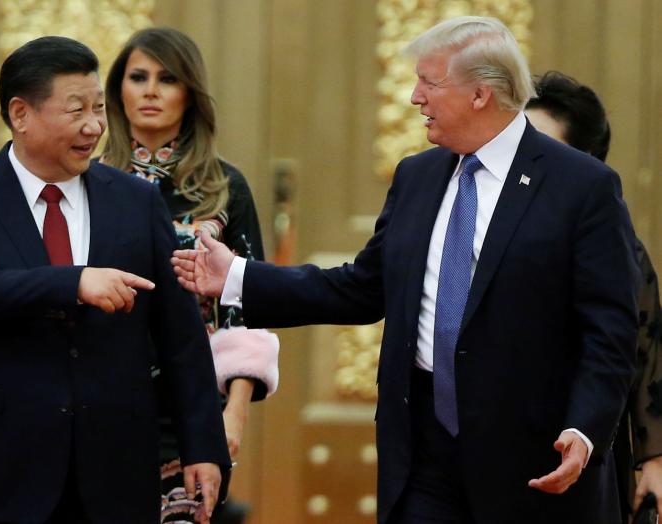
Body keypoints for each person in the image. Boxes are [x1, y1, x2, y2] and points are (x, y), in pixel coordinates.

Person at [172, 16, 640, 524]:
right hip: (423, 454)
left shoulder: (582, 186)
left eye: (429, 82)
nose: (415, 97)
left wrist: (586, 429)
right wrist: (237, 276)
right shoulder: (417, 176)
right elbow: (363, 287)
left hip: (533, 462)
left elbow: (610, 331)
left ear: (481, 94)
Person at [0, 36, 230, 523]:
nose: (95, 126)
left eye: (100, 108)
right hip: (5, 465)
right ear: (21, 114)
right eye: (76, 110)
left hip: (116, 468)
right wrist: (73, 283)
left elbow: (180, 335)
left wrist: (203, 447)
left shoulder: (135, 200)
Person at [101, 27, 279, 523]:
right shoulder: (89, 182)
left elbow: (248, 307)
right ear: (118, 90)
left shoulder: (225, 188)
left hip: (194, 403)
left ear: (190, 93)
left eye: (167, 78)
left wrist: (234, 413)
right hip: (102, 396)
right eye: (138, 77)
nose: (151, 90)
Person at [525, 70, 662, 521]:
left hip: (580, 449)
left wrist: (652, 458)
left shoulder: (611, 241)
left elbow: (643, 345)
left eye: (542, 148)